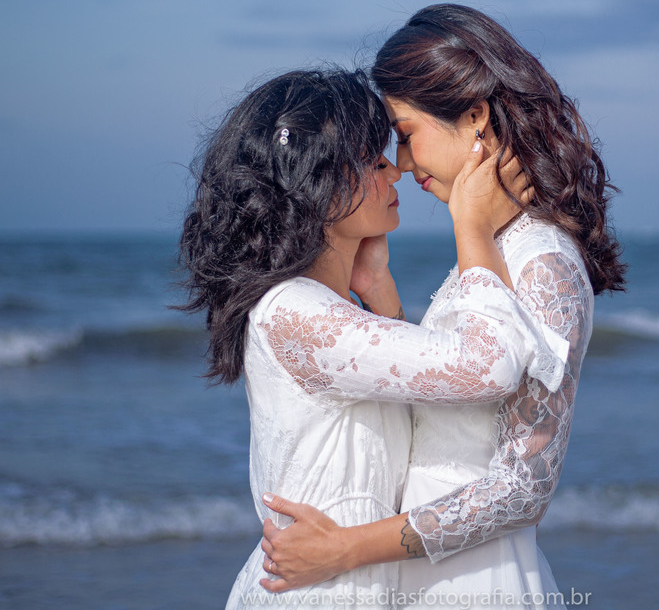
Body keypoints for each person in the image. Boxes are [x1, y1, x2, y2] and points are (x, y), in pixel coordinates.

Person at [257, 5, 626, 608]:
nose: (401, 164)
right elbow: (442, 403)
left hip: (476, 579)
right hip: (417, 569)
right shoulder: (489, 248)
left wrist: (347, 548)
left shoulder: (542, 262)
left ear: (475, 115)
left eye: (405, 136)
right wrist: (383, 299)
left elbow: (523, 489)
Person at [176, 68, 572, 609]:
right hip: (315, 593)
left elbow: (421, 416)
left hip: (355, 584)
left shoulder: (328, 312)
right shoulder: (292, 312)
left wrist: (379, 291)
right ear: (317, 184)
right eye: (370, 158)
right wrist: (473, 227)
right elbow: (490, 368)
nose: (395, 169)